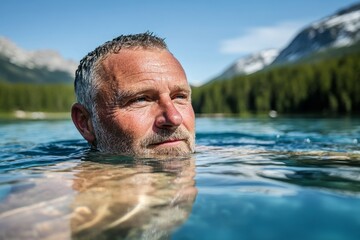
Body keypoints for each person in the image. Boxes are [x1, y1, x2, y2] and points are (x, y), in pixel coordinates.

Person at [71, 32, 195, 157]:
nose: (174, 118)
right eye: (141, 99)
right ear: (85, 123)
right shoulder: (62, 175)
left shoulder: (213, 156)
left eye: (179, 97)